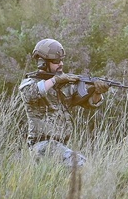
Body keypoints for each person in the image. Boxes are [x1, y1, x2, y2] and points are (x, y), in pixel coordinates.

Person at [18, 38, 109, 167]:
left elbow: (88, 104)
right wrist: (55, 80)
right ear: (42, 63)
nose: (60, 64)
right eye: (56, 61)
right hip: (41, 145)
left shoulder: (65, 86)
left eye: (61, 60)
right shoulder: (30, 83)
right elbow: (30, 94)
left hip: (60, 146)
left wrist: (97, 92)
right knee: (79, 164)